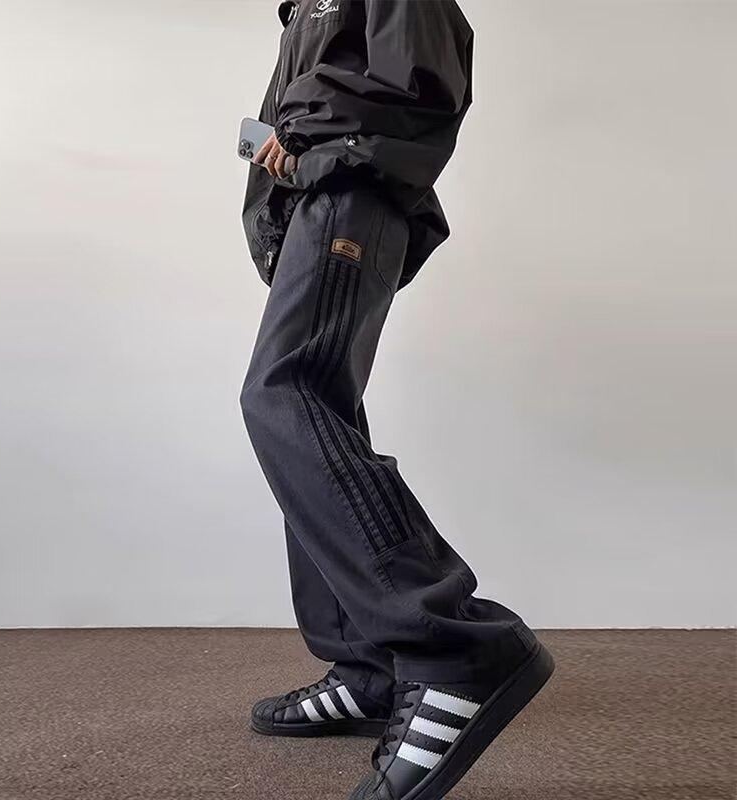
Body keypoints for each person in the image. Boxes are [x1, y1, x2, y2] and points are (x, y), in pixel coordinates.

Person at [239, 2, 554, 797]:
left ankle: (452, 645)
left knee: (286, 394)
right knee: (320, 414)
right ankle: (368, 668)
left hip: (352, 190)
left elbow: (422, 82)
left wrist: (306, 140)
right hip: (318, 200)